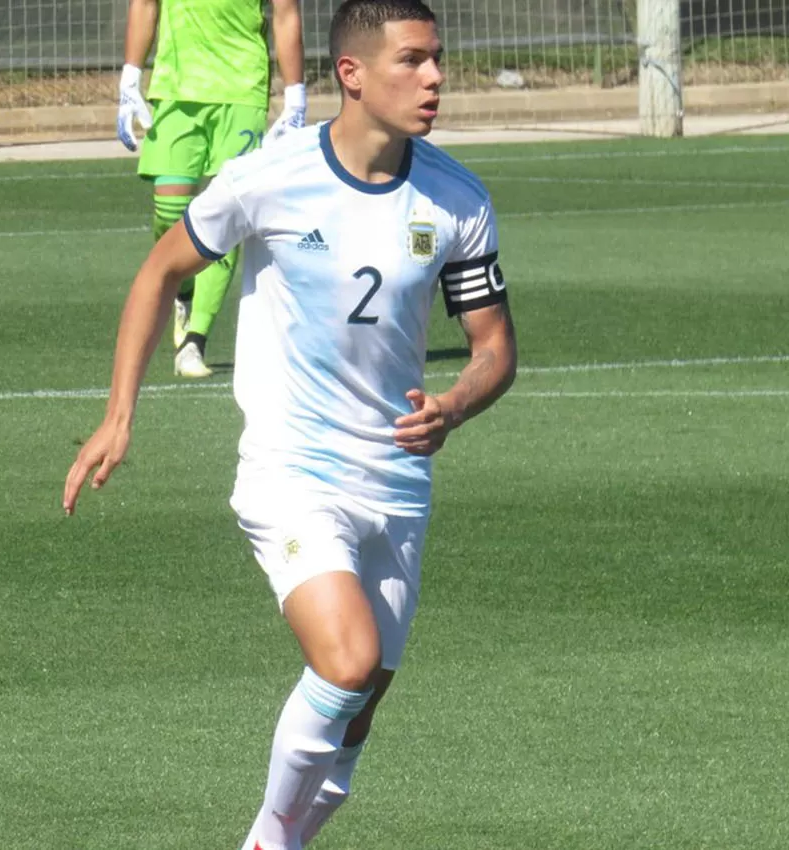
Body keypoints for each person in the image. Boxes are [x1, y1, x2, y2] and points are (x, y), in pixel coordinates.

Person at [66, 1, 516, 847]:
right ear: (352, 74)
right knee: (343, 663)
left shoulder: (457, 199)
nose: (435, 78)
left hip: (397, 481)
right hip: (292, 470)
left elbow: (493, 348)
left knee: (357, 712)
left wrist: (455, 403)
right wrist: (119, 415)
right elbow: (160, 270)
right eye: (413, 61)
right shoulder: (269, 176)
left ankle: (288, 839)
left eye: (437, 60)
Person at [116, 0, 307, 378]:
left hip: (241, 89)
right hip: (176, 88)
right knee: (169, 212)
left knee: (229, 216)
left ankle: (194, 340)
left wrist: (296, 94)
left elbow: (286, 11)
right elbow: (144, 4)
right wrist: (130, 77)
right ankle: (181, 287)